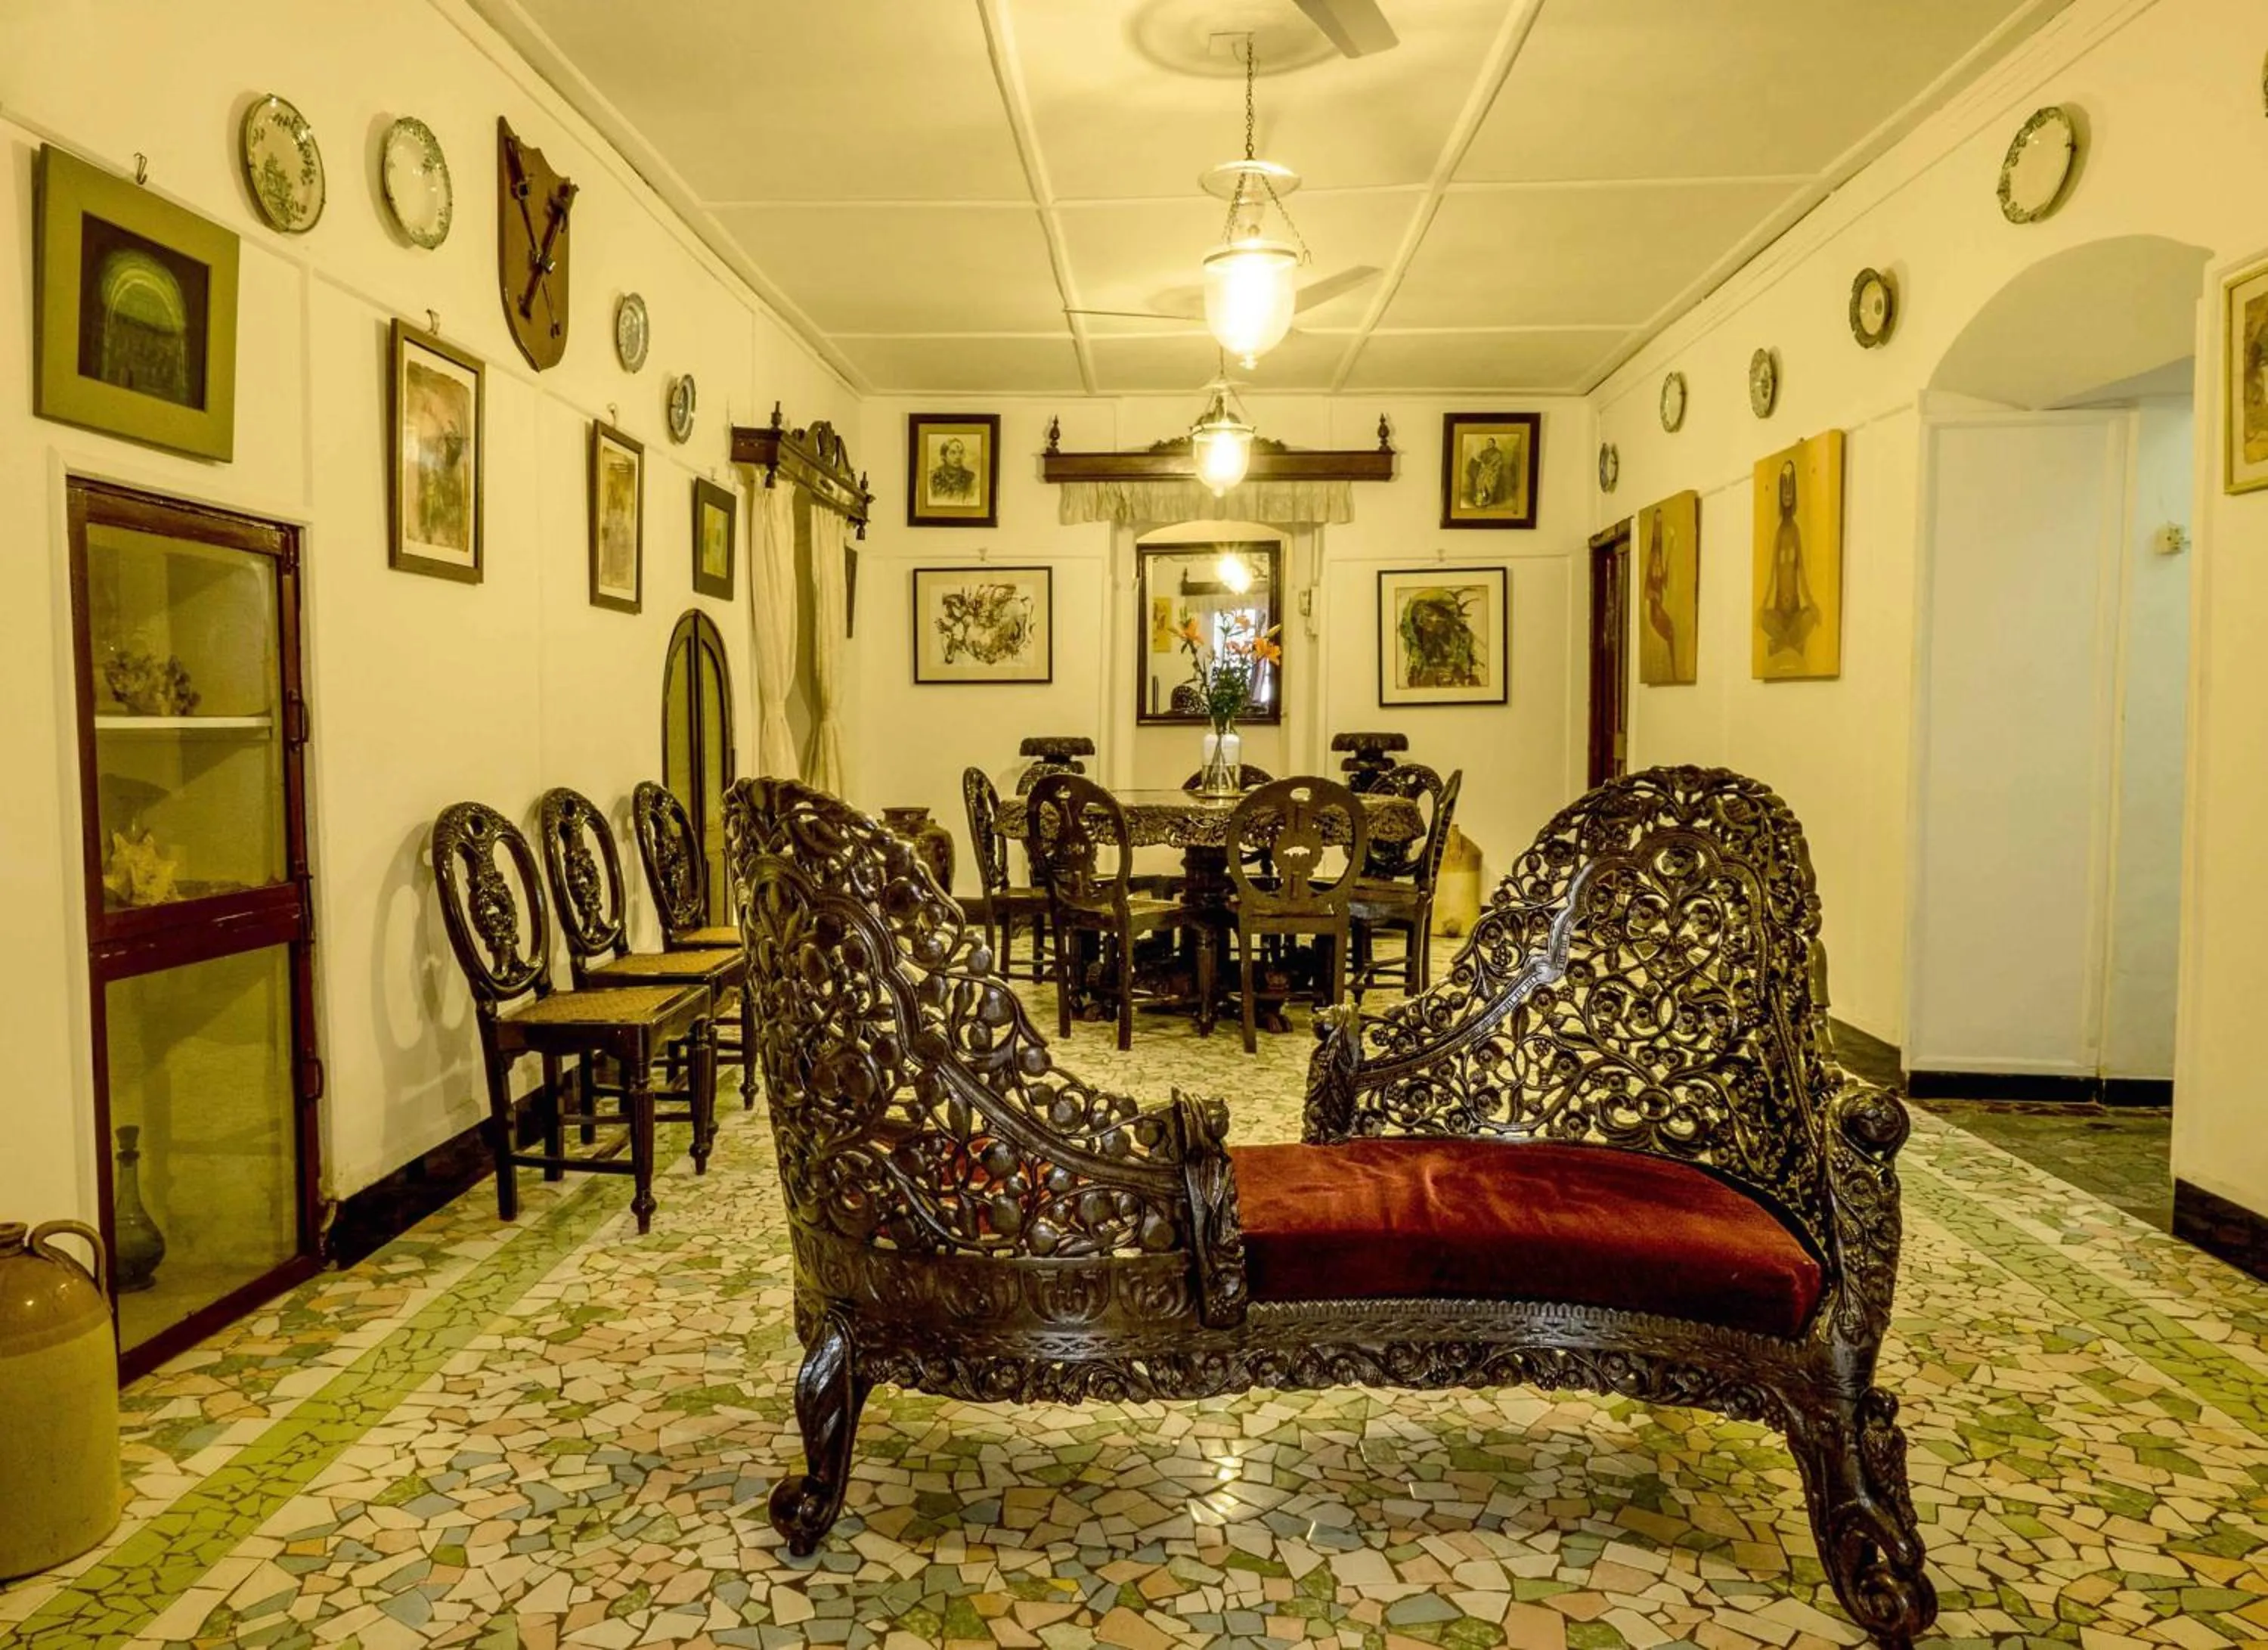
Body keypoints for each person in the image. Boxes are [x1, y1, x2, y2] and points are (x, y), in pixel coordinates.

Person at [1758, 460, 1818, 658]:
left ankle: (1779, 645)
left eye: (1790, 488)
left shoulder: (1796, 531)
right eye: (1784, 488)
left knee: (1810, 616)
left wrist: (1811, 603)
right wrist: (1763, 604)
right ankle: (1794, 644)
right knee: (1763, 618)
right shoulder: (1779, 533)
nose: (1787, 494)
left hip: (1794, 613)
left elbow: (1802, 574)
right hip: (1779, 613)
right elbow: (1771, 574)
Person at [928, 436, 977, 503]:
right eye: (953, 453)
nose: (958, 457)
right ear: (943, 456)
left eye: (961, 452)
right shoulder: (933, 476)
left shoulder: (970, 478)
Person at [1464, 436, 1507, 510]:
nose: (1489, 444)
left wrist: (1488, 467)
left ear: (1494, 444)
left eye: (1491, 443)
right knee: (1480, 482)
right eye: (1488, 443)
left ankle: (1488, 499)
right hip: (1483, 471)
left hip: (1492, 472)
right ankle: (1480, 499)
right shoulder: (1484, 452)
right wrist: (1479, 460)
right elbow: (1480, 459)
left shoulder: (1497, 453)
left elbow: (1497, 463)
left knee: (1487, 482)